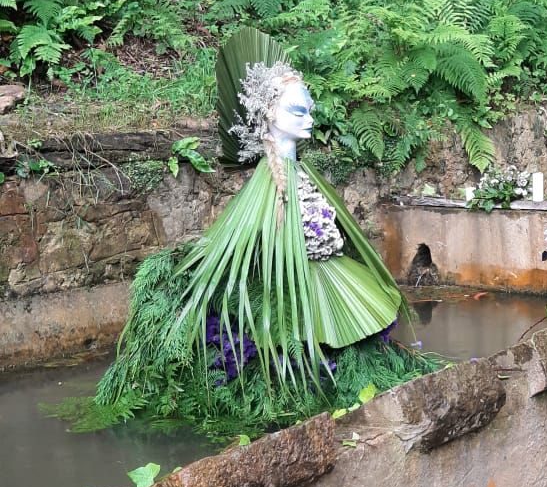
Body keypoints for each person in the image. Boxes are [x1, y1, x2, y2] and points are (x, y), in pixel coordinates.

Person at [82, 27, 431, 436]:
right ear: (269, 116)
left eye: (310, 110)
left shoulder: (304, 176)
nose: (310, 119)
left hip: (331, 280)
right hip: (291, 291)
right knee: (290, 335)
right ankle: (292, 389)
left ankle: (338, 385)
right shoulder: (266, 189)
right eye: (298, 112)